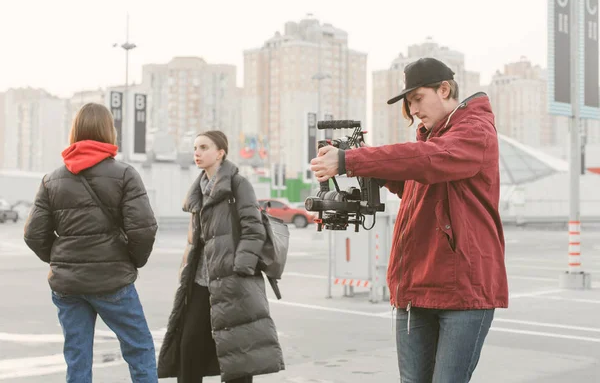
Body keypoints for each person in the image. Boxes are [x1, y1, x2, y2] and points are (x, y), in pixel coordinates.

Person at [310, 57, 509, 383]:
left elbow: (429, 161)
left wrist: (351, 159)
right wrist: (366, 159)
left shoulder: (475, 133)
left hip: (463, 292)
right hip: (417, 286)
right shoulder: (430, 142)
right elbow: (411, 178)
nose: (413, 109)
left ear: (444, 89)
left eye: (417, 98)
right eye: (409, 102)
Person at [23, 103, 159, 383]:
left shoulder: (52, 180)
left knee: (77, 357)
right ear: (109, 131)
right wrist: (131, 261)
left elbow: (33, 234)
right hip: (112, 281)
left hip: (68, 285)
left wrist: (61, 259)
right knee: (139, 350)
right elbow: (144, 229)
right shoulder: (124, 174)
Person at [157, 130, 284, 383]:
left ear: (220, 152)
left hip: (232, 281)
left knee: (237, 350)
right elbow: (195, 238)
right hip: (201, 281)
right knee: (189, 345)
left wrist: (240, 267)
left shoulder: (238, 184)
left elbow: (253, 228)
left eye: (204, 147)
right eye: (195, 148)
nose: (197, 152)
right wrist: (186, 265)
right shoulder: (199, 188)